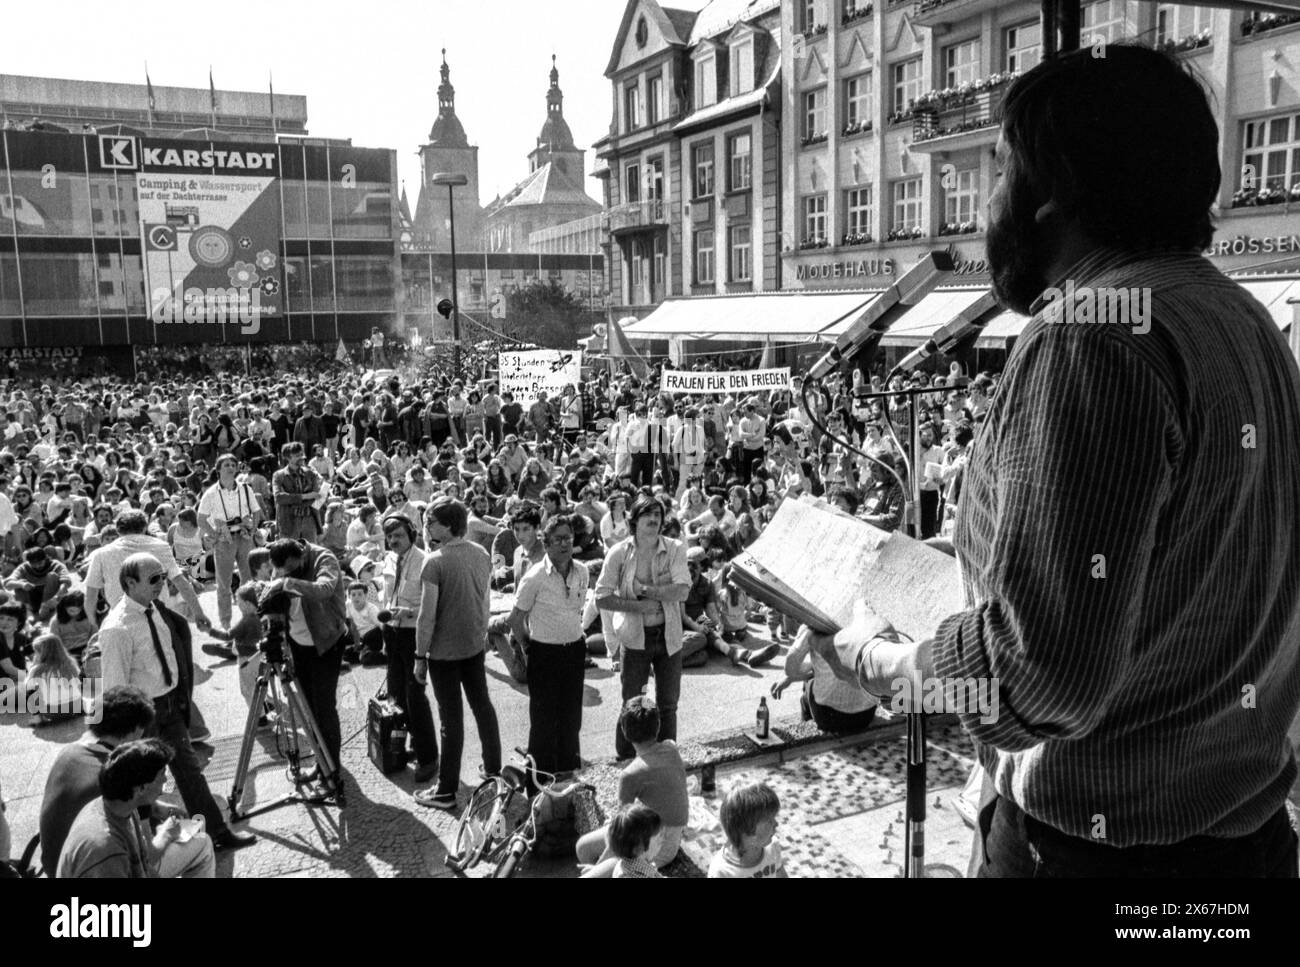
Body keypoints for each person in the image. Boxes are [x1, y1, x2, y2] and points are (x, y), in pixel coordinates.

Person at [812, 45, 1300, 879]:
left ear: (1054, 192)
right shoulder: (1246, 321)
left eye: (996, 172)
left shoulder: (1091, 334)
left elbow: (1042, 677)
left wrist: (886, 662)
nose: (983, 207)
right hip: (1242, 847)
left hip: (1095, 858)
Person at [98, 554, 255, 852]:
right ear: (130, 583)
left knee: (190, 773)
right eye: (153, 579)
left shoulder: (155, 609)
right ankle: (151, 852)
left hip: (170, 706)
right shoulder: (116, 628)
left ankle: (217, 833)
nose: (162, 584)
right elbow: (115, 688)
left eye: (163, 577)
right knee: (145, 784)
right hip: (142, 717)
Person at [38, 685, 194, 875]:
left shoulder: (69, 753)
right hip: (96, 867)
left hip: (58, 864)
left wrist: (155, 806)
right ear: (137, 729)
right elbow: (148, 857)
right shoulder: (122, 775)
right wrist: (167, 832)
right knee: (201, 846)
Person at [413, 497, 502, 810]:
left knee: (451, 720)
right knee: (482, 706)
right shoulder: (479, 552)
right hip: (473, 644)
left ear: (447, 525)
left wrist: (419, 656)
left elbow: (427, 616)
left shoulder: (433, 560)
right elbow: (485, 599)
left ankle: (446, 790)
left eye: (431, 521)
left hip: (444, 653)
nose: (426, 526)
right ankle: (494, 771)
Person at [595, 494, 690, 760]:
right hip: (635, 638)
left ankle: (666, 759)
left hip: (668, 636)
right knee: (631, 704)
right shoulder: (619, 553)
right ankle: (625, 760)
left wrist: (647, 590)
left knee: (668, 705)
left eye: (658, 515)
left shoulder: (674, 548)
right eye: (647, 514)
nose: (654, 519)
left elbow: (682, 591)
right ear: (633, 521)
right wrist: (638, 606)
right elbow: (601, 597)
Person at [56, 738, 216, 879]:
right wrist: (166, 833)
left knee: (200, 838)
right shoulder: (106, 848)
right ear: (140, 788)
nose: (166, 780)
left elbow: (145, 867)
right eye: (162, 775)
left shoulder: (122, 809)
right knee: (202, 842)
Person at [508, 514, 589, 778]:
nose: (564, 544)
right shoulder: (535, 577)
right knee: (543, 722)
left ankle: (567, 776)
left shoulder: (583, 572)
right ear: (547, 542)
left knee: (571, 718)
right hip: (543, 652)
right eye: (558, 539)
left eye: (568, 538)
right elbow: (515, 619)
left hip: (574, 651)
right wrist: (528, 648)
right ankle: (537, 782)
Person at [576, 696, 688, 875]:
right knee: (583, 847)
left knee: (586, 857)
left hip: (654, 846)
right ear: (658, 726)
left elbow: (622, 832)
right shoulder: (671, 748)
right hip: (662, 838)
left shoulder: (630, 774)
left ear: (624, 730)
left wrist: (597, 869)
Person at [265, 538, 348, 773]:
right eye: (282, 571)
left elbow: (324, 590)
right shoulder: (282, 566)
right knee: (308, 707)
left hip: (326, 643)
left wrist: (287, 582)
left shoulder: (325, 558)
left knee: (324, 708)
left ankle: (331, 769)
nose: (286, 574)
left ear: (301, 555)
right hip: (298, 644)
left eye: (292, 569)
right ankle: (322, 761)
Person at [380, 514, 438, 784]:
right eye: (390, 536)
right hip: (392, 631)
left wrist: (410, 612)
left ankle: (429, 758)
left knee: (415, 696)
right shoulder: (389, 559)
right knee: (396, 697)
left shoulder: (425, 561)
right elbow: (385, 594)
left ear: (412, 534)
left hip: (414, 632)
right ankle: (409, 745)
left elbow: (432, 607)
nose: (393, 541)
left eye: (399, 535)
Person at [197, 454, 261, 631]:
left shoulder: (245, 489)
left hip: (244, 537)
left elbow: (256, 511)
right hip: (225, 540)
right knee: (224, 583)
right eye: (226, 465)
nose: (231, 467)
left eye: (233, 464)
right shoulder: (211, 493)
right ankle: (226, 625)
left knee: (249, 580)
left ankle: (250, 620)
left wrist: (253, 530)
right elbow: (201, 519)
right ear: (218, 470)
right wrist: (215, 535)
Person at [708, 780, 787, 878]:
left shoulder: (772, 846)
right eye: (769, 821)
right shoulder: (721, 871)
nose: (776, 824)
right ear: (748, 833)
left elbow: (781, 874)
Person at [272, 442, 323, 542]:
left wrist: (292, 499)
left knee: (310, 552)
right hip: (289, 521)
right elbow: (279, 498)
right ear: (288, 458)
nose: (302, 457)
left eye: (301, 454)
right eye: (297, 456)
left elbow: (317, 495)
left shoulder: (310, 473)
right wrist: (305, 496)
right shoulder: (279, 475)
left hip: (309, 519)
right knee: (290, 554)